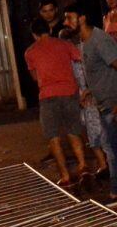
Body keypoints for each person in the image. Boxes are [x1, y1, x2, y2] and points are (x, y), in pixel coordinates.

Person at [25, 18, 89, 185]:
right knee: (73, 131)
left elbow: (34, 76)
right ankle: (83, 165)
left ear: (34, 34)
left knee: (53, 137)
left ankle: (65, 175)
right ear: (49, 30)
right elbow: (79, 60)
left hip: (47, 96)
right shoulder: (65, 45)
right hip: (69, 92)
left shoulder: (30, 52)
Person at [63, 3, 117, 199]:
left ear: (82, 18)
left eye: (69, 18)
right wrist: (89, 91)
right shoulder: (85, 42)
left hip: (112, 104)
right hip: (103, 104)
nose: (65, 22)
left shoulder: (99, 41)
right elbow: (100, 72)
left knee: (112, 150)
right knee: (111, 149)